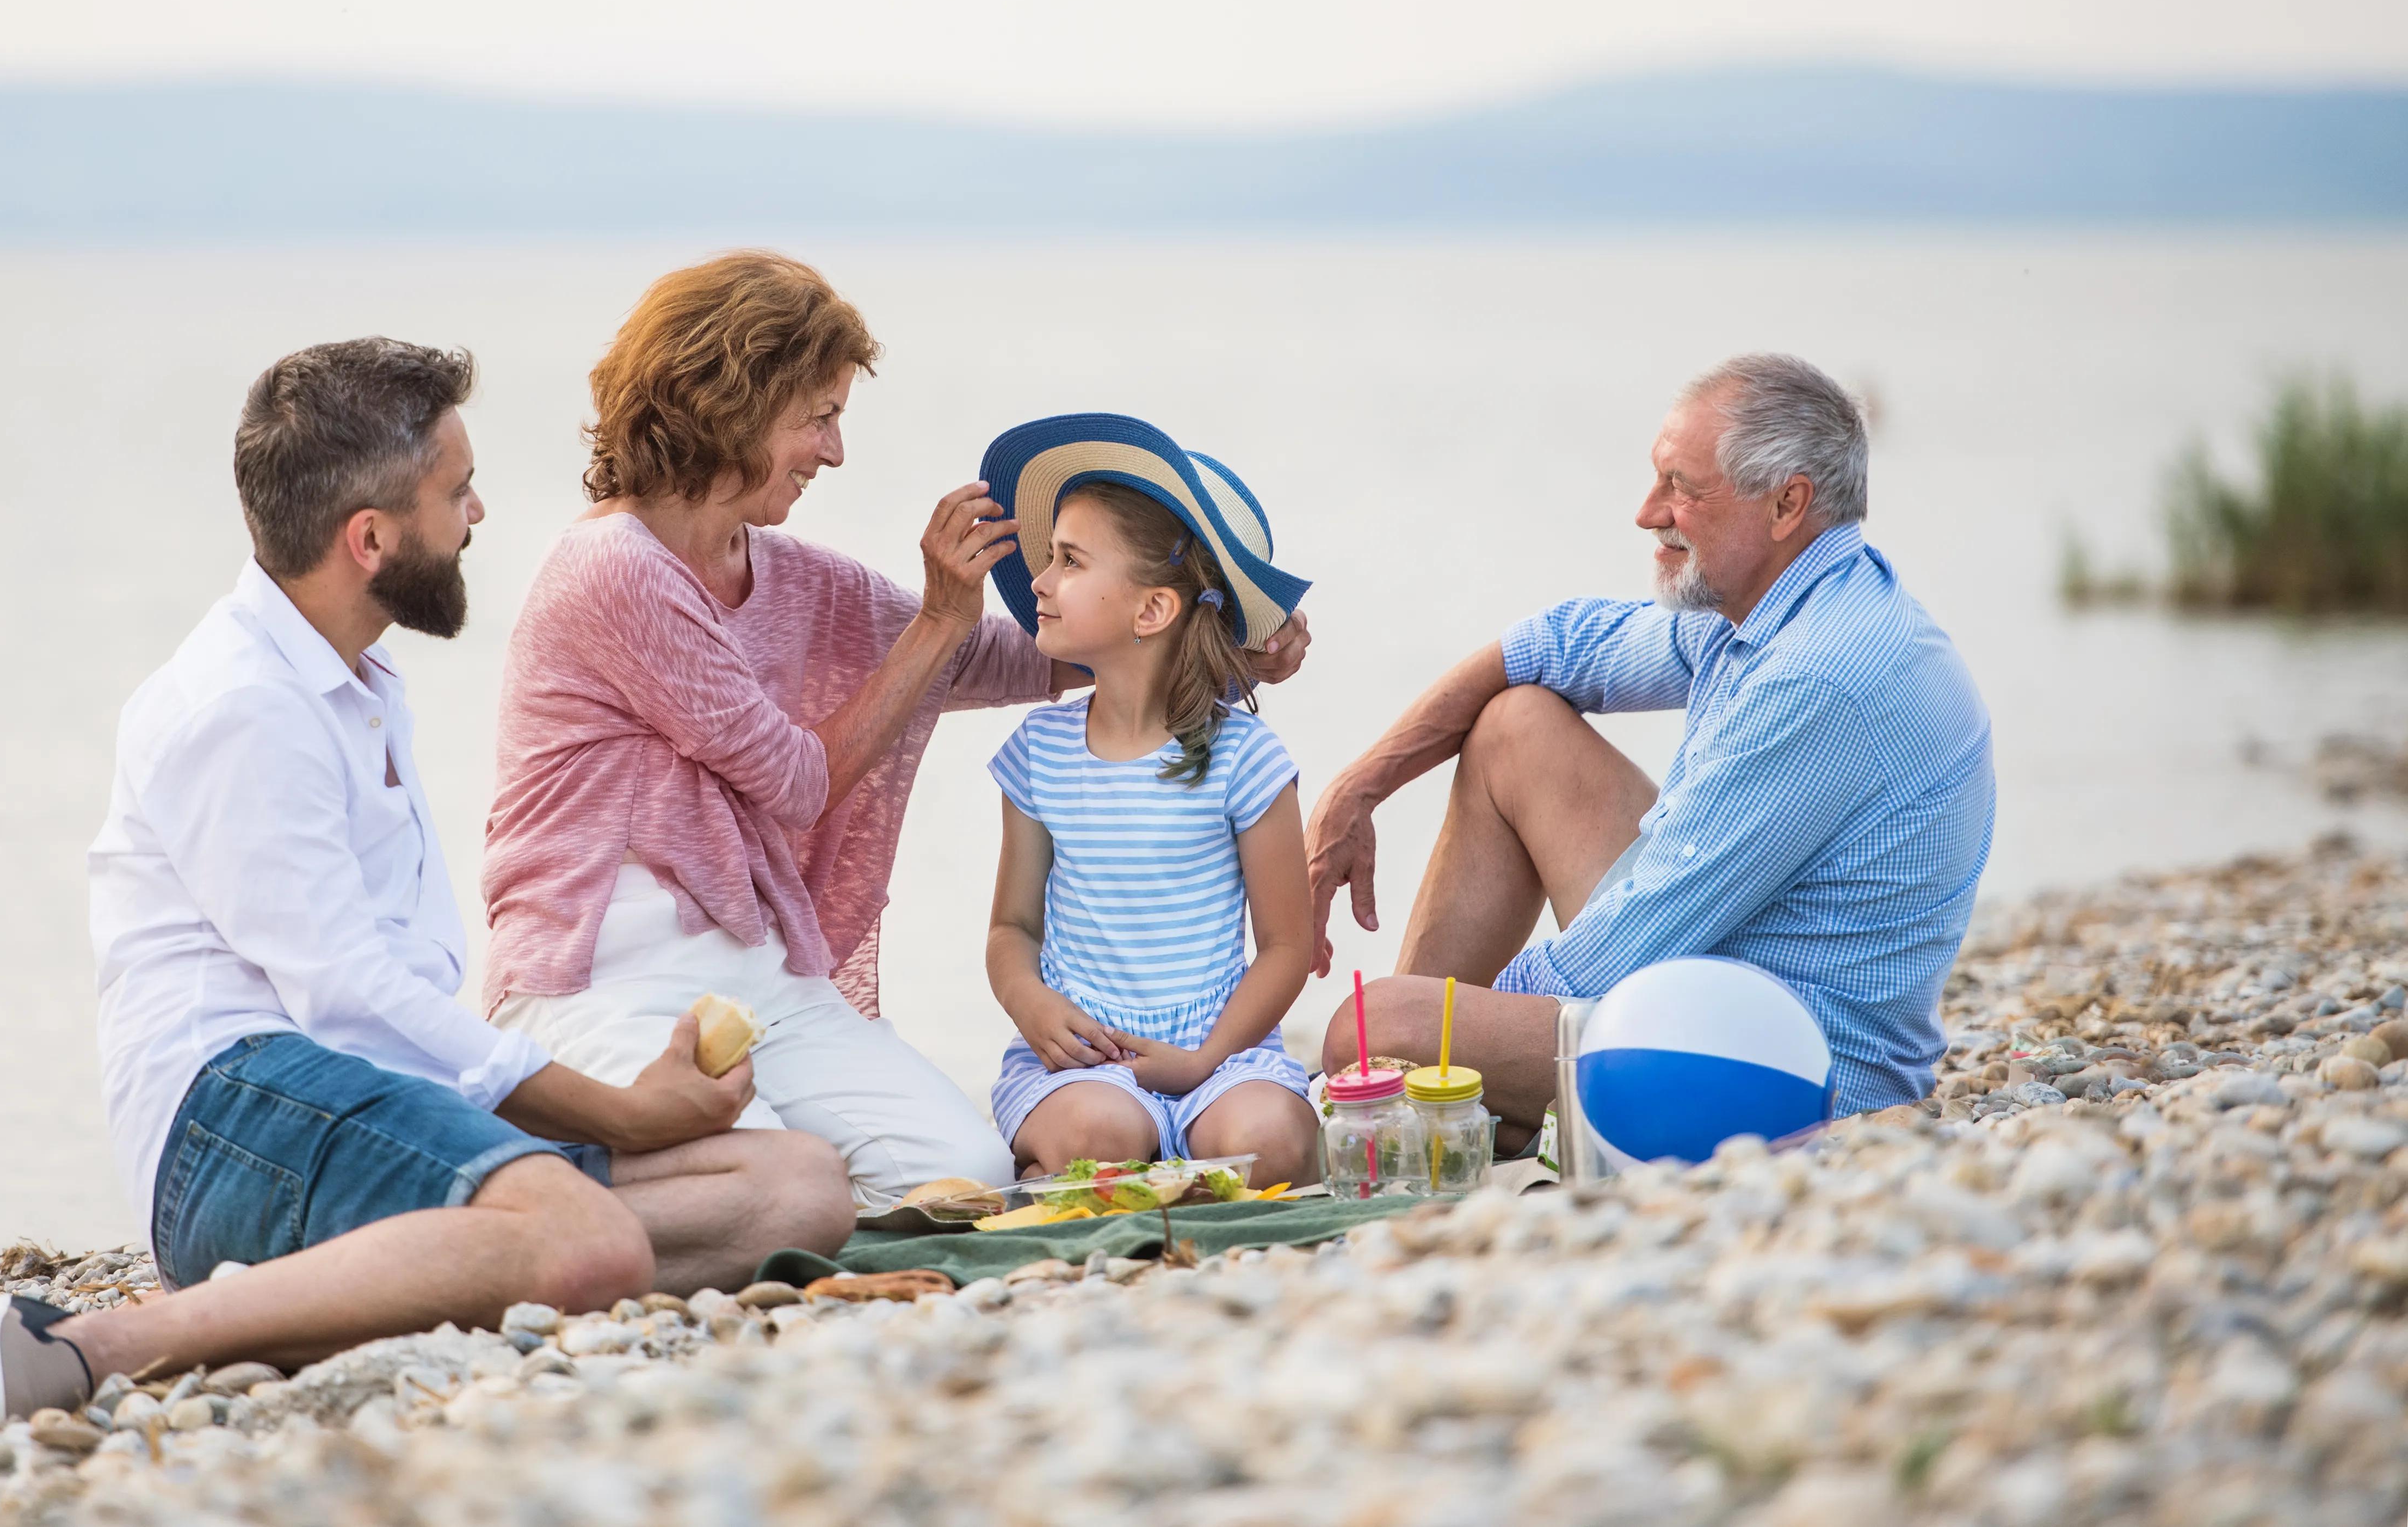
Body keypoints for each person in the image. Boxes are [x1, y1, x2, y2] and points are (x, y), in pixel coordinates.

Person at [0, 338, 851, 1426]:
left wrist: (631, 1122)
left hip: (376, 1107)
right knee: (586, 1239)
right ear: (371, 537)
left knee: (795, 1186)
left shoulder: (356, 679)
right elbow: (345, 997)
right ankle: (90, 1344)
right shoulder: (240, 704)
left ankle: (374, 1281)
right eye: (456, 490)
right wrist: (616, 1111)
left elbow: (390, 1016)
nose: (477, 513)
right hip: (236, 1119)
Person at [478, 255, 1313, 1200]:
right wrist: (937, 619)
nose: (833, 451)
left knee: (965, 1173)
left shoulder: (792, 575)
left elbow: (1016, 656)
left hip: (756, 968)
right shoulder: (611, 568)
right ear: (733, 402)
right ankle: (535, 1156)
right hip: (602, 972)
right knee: (771, 1181)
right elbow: (795, 779)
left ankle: (697, 1175)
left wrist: (1230, 641)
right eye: (819, 416)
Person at [1307, 354, 1992, 1146]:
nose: (1645, 512)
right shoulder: (1776, 600)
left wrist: (1445, 1028)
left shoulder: (1819, 680)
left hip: (1791, 1067)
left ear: (1787, 503)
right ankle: (1425, 1114)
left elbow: (1611, 961)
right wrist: (1361, 785)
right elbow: (1556, 645)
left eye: (1680, 487)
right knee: (1514, 727)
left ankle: (1413, 1109)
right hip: (1725, 982)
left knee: (1371, 1023)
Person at [977, 417, 1321, 1191]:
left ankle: (1140, 1169)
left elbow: (1284, 947)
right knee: (1105, 1131)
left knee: (1270, 1138)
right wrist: (1028, 1001)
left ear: (1153, 611)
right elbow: (1013, 926)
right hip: (1087, 1061)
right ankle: (1126, 1163)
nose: (1039, 580)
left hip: (1220, 1052)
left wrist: (1205, 1059)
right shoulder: (1040, 750)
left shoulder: (1246, 758)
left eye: (1069, 561)